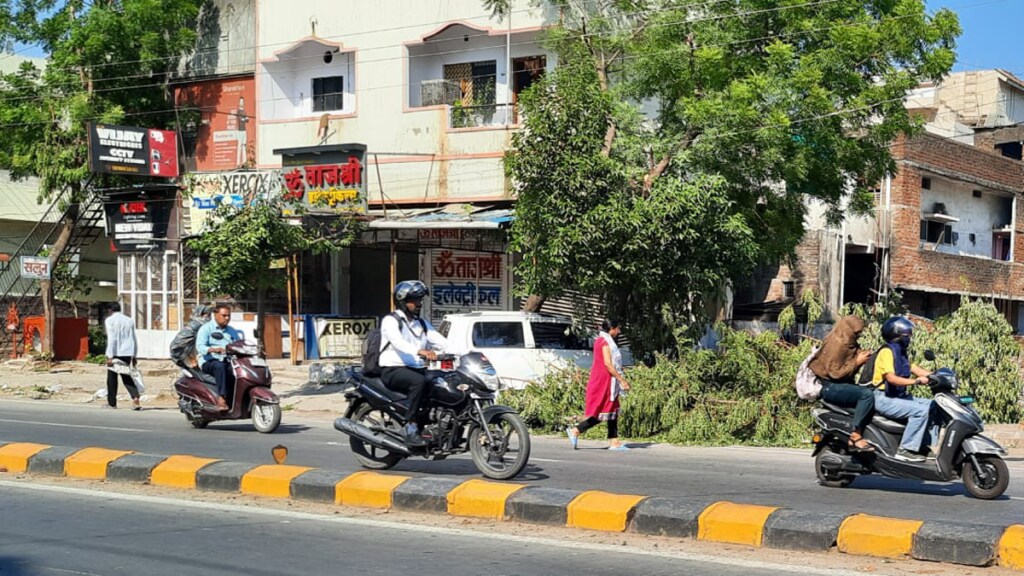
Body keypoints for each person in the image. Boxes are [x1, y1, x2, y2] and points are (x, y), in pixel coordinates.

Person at [379, 280, 448, 447]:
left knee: (441, 382)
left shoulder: (422, 324)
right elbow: (398, 342)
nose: (419, 304)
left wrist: (466, 352)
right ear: (403, 301)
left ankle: (432, 424)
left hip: (415, 368)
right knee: (419, 381)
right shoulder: (391, 320)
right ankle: (411, 426)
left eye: (420, 300)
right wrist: (421, 351)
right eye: (415, 300)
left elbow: (441, 341)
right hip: (392, 369)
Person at [868, 316, 936, 462]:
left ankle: (922, 446)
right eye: (906, 334)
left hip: (896, 396)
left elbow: (914, 368)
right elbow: (891, 378)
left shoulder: (900, 352)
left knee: (934, 406)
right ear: (896, 334)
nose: (909, 338)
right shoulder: (886, 352)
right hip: (883, 398)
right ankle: (905, 449)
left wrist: (938, 376)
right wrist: (916, 382)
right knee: (921, 411)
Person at [808, 315, 876, 452]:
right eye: (856, 333)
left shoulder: (849, 344)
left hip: (840, 383)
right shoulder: (836, 344)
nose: (858, 336)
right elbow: (835, 373)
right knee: (867, 395)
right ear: (848, 330)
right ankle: (856, 435)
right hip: (830, 386)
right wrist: (857, 362)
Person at [566, 319, 631, 451]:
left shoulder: (605, 341)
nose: (618, 331)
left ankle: (614, 441)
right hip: (604, 380)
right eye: (617, 328)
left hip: (609, 380)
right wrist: (621, 379)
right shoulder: (603, 342)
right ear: (611, 328)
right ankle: (576, 430)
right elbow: (608, 363)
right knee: (603, 411)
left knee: (612, 411)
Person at [196, 304, 243, 411]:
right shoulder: (206, 329)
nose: (227, 318)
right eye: (224, 315)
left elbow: (238, 344)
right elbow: (200, 346)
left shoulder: (232, 331)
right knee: (220, 367)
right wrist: (213, 349)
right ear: (215, 315)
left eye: (229, 316)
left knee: (239, 370)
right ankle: (221, 398)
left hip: (228, 360)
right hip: (208, 361)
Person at [104, 302, 141, 410]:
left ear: (110, 310)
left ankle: (112, 403)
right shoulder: (129, 320)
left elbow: (112, 339)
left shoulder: (109, 320)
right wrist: (134, 355)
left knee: (111, 378)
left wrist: (109, 355)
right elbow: (133, 338)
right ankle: (135, 397)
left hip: (116, 352)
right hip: (128, 352)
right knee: (126, 376)